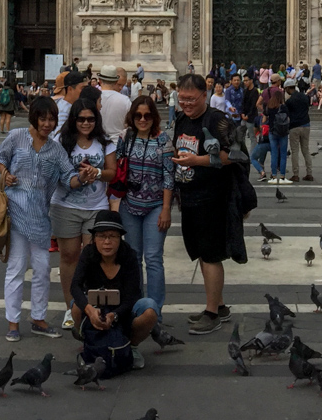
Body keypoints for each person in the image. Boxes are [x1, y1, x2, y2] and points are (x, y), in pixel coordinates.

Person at [168, 73, 255, 332]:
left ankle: (211, 313)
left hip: (214, 198)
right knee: (201, 253)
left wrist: (197, 161)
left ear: (204, 95)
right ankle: (220, 306)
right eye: (182, 99)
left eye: (191, 99)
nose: (186, 104)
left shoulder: (219, 121)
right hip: (191, 197)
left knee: (210, 255)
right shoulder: (182, 119)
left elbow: (238, 154)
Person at [0, 97, 73, 340]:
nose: (48, 124)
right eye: (43, 119)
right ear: (34, 118)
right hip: (15, 212)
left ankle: (38, 318)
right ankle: (13, 322)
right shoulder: (17, 136)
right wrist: (5, 174)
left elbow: (69, 176)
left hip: (40, 216)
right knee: (16, 268)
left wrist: (85, 177)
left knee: (42, 268)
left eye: (52, 119)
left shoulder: (56, 148)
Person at [66, 210, 155, 379]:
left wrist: (115, 315)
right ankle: (90, 341)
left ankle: (132, 346)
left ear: (120, 238)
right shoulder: (88, 254)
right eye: (101, 236)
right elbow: (75, 287)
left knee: (150, 307)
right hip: (95, 308)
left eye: (112, 236)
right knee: (76, 305)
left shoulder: (128, 255)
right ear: (94, 239)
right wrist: (90, 310)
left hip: (123, 310)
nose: (106, 242)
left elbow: (133, 294)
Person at [115, 95, 175, 297]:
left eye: (147, 115)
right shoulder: (125, 137)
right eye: (138, 115)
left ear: (154, 117)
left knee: (154, 258)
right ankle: (136, 305)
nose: (142, 119)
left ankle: (154, 311)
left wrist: (166, 209)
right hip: (129, 205)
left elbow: (169, 176)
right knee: (133, 258)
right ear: (132, 116)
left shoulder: (163, 139)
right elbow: (117, 167)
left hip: (156, 206)